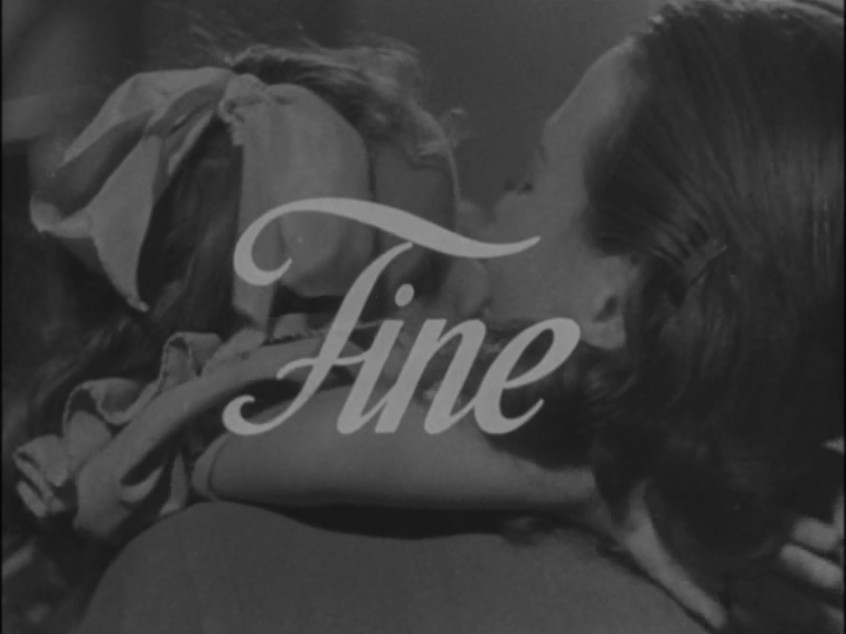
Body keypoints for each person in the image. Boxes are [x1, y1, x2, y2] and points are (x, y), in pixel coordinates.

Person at [5, 1, 844, 632]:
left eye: (524, 179)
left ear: (613, 301)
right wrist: (593, 481)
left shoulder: (217, 577)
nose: (479, 230)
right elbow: (289, 435)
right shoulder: (302, 414)